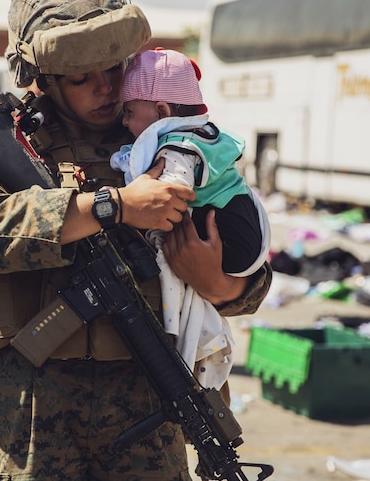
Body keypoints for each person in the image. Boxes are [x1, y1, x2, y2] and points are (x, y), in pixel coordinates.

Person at [0, 0, 273, 481]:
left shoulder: (171, 144)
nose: (105, 89)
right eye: (82, 78)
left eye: (114, 70)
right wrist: (114, 205)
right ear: (46, 78)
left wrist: (218, 283)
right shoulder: (13, 145)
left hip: (148, 392)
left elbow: (246, 261)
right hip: (36, 404)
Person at [110, 48, 271, 389]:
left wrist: (130, 203)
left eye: (128, 112)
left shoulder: (179, 144)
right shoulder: (192, 134)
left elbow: (172, 190)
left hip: (230, 240)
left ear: (162, 111)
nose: (123, 122)